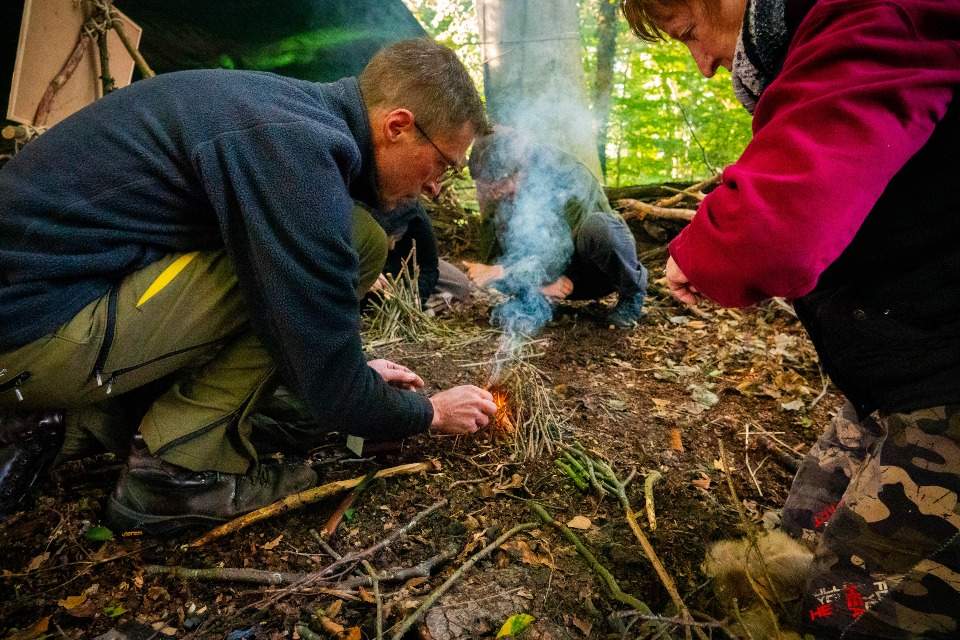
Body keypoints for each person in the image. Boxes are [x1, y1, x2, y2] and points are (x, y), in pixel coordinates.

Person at [0, 38, 498, 534]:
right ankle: (178, 477)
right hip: (30, 335)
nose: (436, 188)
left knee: (316, 292)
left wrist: (341, 369)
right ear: (398, 126)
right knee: (355, 240)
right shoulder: (293, 154)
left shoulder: (280, 114)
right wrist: (427, 411)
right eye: (444, 165)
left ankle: (65, 426)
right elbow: (329, 384)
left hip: (42, 310)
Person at [621, 0, 960, 636]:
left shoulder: (877, 14)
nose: (703, 66)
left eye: (690, 32)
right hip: (900, 368)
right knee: (789, 546)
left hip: (944, 381)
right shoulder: (822, 39)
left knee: (847, 615)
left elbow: (782, 231)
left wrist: (702, 251)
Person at [464, 129, 649, 328]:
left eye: (498, 186)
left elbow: (560, 248)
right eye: (486, 188)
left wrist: (504, 271)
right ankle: (533, 303)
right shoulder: (496, 194)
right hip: (545, 283)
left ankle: (633, 296)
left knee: (599, 227)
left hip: (593, 271)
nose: (493, 194)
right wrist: (526, 281)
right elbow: (490, 260)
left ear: (519, 171)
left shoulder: (565, 173)